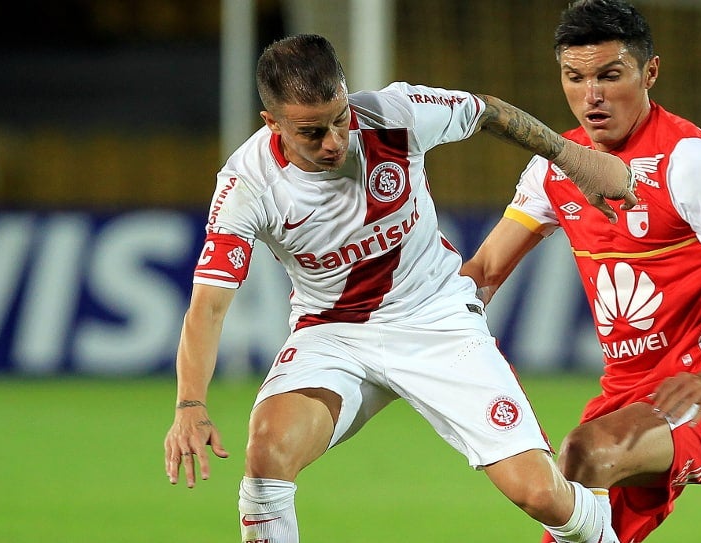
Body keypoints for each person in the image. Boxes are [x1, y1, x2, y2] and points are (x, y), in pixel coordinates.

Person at [162, 34, 638, 543]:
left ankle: (596, 527)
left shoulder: (396, 114)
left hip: (437, 320)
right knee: (266, 453)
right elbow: (207, 308)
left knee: (540, 495)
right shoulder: (247, 185)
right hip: (332, 334)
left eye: (340, 118)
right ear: (272, 123)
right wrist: (190, 405)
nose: (334, 141)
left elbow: (489, 112)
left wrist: (575, 160)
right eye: (311, 132)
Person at [460, 1, 701, 542]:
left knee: (584, 454)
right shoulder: (555, 166)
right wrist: (427, 318)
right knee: (575, 517)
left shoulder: (690, 161)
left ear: (649, 72)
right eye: (575, 77)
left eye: (609, 75)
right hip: (622, 397)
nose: (592, 94)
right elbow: (487, 268)